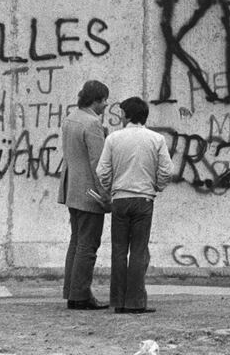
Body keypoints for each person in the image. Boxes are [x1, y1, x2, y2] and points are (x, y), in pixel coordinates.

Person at [96, 96, 174, 314]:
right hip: (143, 200)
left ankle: (118, 301)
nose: (120, 116)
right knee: (139, 251)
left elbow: (102, 171)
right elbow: (167, 171)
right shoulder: (156, 139)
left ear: (128, 114)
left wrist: (112, 187)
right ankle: (136, 301)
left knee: (119, 250)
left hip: (120, 199)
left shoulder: (113, 139)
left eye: (122, 113)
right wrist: (156, 186)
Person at [58, 79, 111, 310]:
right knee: (88, 245)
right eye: (104, 100)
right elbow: (97, 162)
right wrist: (105, 194)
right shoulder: (92, 124)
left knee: (76, 241)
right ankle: (81, 295)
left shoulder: (71, 118)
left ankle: (72, 291)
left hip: (73, 188)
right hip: (90, 191)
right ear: (95, 100)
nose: (106, 105)